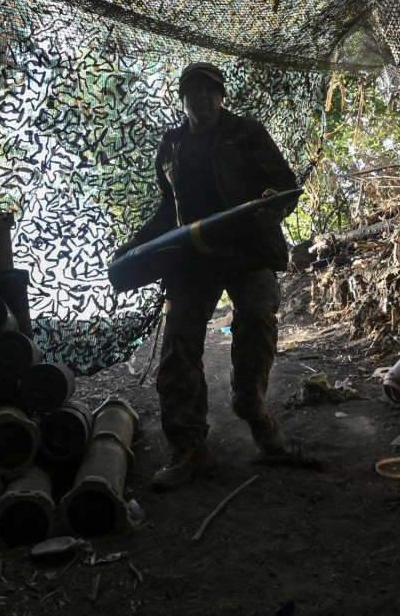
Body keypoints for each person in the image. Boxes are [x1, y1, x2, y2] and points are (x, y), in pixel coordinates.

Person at [113, 61, 300, 492]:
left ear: (221, 95)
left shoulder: (246, 133)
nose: (202, 98)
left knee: (256, 320)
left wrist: (273, 200)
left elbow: (284, 184)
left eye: (209, 90)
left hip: (247, 249)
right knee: (178, 347)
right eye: (193, 91)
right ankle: (190, 447)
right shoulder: (172, 144)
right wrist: (136, 244)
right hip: (191, 256)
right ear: (182, 99)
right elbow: (167, 213)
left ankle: (252, 408)